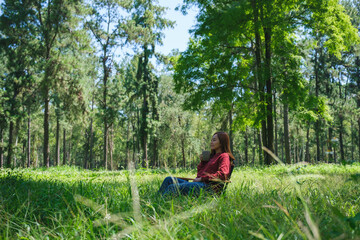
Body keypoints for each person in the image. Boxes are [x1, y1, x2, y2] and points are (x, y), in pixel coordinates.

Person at [158, 131, 235, 196]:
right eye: (211, 140)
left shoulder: (224, 156)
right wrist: (203, 162)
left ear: (222, 142)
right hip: (200, 184)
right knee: (169, 179)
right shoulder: (212, 157)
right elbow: (199, 174)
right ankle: (156, 199)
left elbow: (223, 175)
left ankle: (160, 204)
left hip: (208, 188)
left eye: (214, 140)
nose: (211, 142)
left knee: (173, 187)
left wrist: (202, 179)